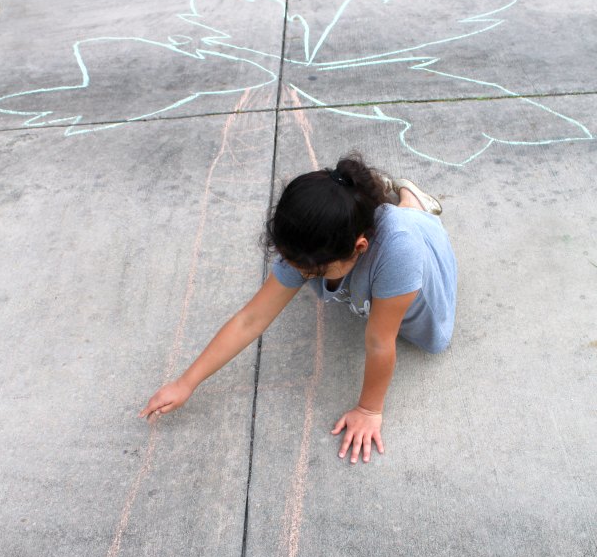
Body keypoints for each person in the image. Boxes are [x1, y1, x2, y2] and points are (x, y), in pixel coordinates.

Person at [138, 152, 457, 465]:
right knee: (353, 268)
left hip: (415, 245)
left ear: (359, 247)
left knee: (431, 336)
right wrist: (185, 383)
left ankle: (412, 202)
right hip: (367, 241)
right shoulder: (309, 240)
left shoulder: (399, 253)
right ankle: (398, 203)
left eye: (311, 271)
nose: (299, 272)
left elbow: (379, 342)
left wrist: (368, 410)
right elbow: (251, 319)